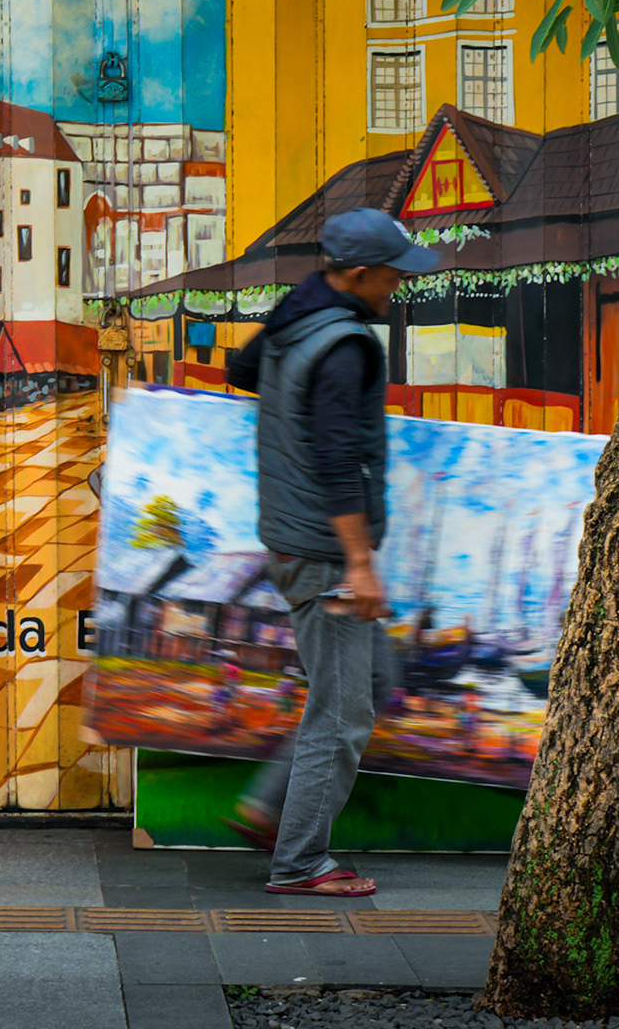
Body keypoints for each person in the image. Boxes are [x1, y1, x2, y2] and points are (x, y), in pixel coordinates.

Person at [223, 208, 438, 898]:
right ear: (356, 274)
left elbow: (242, 368)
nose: (398, 285)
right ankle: (300, 863)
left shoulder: (299, 314)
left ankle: (269, 808)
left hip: (289, 533)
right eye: (391, 274)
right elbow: (338, 458)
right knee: (342, 715)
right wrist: (359, 563)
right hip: (323, 550)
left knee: (373, 681)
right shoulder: (344, 345)